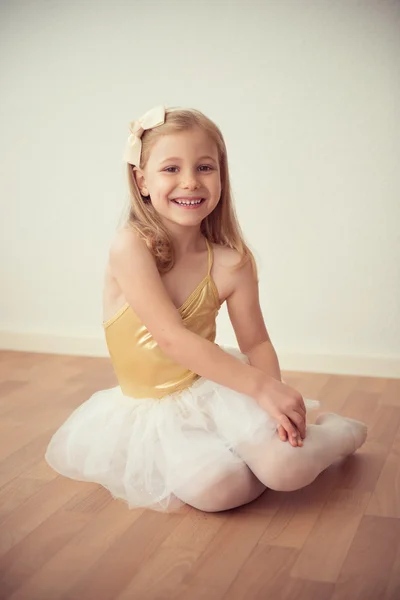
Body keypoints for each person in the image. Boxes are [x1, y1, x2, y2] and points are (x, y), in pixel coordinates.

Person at [45, 105, 367, 513]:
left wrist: (270, 411)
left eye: (204, 167)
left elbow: (257, 341)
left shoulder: (232, 262)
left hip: (216, 390)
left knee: (286, 469)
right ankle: (241, 459)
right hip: (153, 413)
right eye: (170, 169)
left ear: (221, 176)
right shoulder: (130, 247)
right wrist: (260, 388)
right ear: (142, 181)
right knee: (220, 492)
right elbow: (170, 338)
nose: (189, 182)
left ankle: (338, 434)